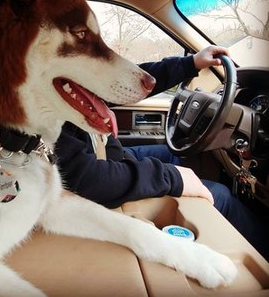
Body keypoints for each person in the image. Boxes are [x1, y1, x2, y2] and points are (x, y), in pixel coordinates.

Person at [55, 45, 269, 260]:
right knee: (221, 195)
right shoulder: (48, 113)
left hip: (109, 155)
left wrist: (190, 63)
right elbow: (83, 178)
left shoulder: (71, 84)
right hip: (101, 179)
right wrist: (172, 177)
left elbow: (124, 84)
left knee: (175, 155)